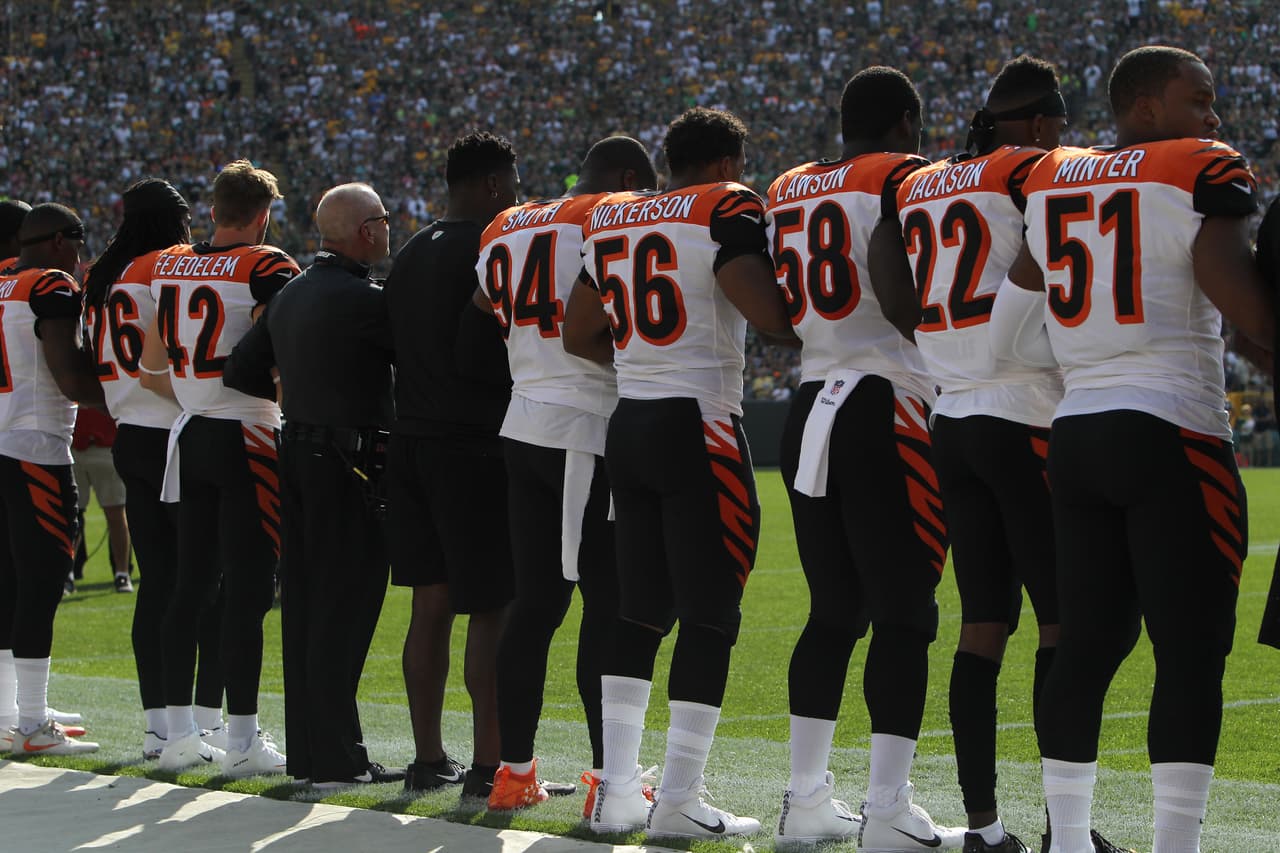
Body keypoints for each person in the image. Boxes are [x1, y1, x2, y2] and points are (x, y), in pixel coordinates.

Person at [992, 45, 1273, 853]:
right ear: (1145, 107)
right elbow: (1238, 296)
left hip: (1078, 433)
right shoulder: (1200, 167)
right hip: (1172, 429)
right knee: (1190, 650)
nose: (1214, 115)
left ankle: (1070, 841)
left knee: (1085, 643)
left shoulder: (1050, 177)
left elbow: (1013, 320)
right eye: (1201, 97)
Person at [564, 106, 798, 840]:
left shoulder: (610, 218)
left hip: (629, 420)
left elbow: (577, 332)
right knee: (709, 615)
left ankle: (617, 793)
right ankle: (681, 798)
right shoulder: (725, 206)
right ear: (727, 164)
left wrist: (645, 363)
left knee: (637, 613)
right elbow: (767, 314)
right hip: (699, 422)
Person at [763, 66, 964, 852]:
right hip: (887, 403)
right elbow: (904, 277)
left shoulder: (785, 186)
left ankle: (806, 798)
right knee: (906, 613)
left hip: (812, 399)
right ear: (906, 123)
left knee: (832, 612)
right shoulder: (902, 176)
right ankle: (887, 810)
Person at [896, 56, 1066, 853]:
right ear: (1036, 124)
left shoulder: (921, 182)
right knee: (1063, 628)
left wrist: (946, 348)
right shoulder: (1028, 166)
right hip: (1022, 409)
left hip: (950, 417)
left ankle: (986, 827)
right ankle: (1067, 828)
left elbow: (888, 280)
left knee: (982, 628)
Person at [473, 136, 657, 813]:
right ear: (630, 178)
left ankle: (516, 771)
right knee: (602, 610)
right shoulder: (611, 213)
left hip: (526, 422)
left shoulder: (506, 222)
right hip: (585, 426)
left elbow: (483, 304)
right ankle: (610, 780)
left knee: (538, 604)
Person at [223, 182, 402, 788]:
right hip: (347, 463)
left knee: (303, 605)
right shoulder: (366, 299)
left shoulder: (292, 293)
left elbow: (243, 369)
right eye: (382, 219)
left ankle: (310, 751)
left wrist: (300, 393)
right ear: (364, 231)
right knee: (345, 606)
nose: (387, 228)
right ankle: (337, 756)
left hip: (295, 452)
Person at [139, 160, 300, 776]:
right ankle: (241, 740)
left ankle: (177, 734)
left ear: (212, 210)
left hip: (193, 432)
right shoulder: (266, 264)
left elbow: (153, 367)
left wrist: (194, 403)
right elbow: (281, 355)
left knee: (189, 587)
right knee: (249, 591)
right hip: (248, 434)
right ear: (263, 216)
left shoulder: (170, 263)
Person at [383, 132, 520, 798]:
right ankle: (490, 765)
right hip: (472, 445)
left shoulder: (409, 251)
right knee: (491, 606)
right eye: (512, 183)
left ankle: (427, 757)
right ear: (492, 184)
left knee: (429, 604)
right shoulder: (490, 246)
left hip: (409, 440)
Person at [82, 177, 226, 760]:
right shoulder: (166, 266)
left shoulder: (102, 279)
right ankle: (206, 724)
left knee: (158, 586)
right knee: (204, 585)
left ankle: (157, 726)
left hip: (128, 435)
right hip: (175, 432)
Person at [0, 203, 103, 755]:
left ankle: (9, 710)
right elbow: (71, 380)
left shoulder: (6, 282)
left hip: (2, 442)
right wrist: (126, 389)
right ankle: (33, 724)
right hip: (36, 448)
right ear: (62, 241)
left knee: (8, 584)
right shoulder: (50, 284)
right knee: (41, 583)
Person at [70, 406, 133, 592]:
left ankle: (122, 572)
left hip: (105, 445)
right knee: (72, 514)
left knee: (116, 514)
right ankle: (69, 573)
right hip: (74, 444)